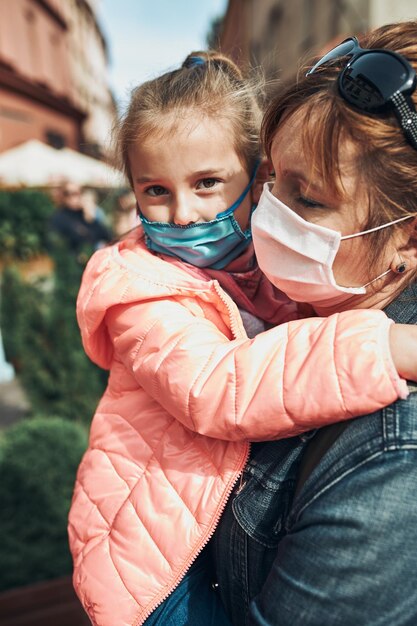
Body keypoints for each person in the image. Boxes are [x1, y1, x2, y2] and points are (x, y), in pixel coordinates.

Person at [68, 50, 417, 626]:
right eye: (154, 190)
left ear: (249, 179)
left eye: (207, 183)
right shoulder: (137, 287)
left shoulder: (259, 263)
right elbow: (220, 386)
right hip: (155, 569)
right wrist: (383, 347)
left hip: (192, 533)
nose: (181, 214)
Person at [212, 21, 417, 626]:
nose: (271, 211)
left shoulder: (395, 449)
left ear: (408, 234)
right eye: (272, 179)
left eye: (309, 199)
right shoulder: (292, 306)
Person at [49, 181, 111, 257]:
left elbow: (107, 236)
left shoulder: (86, 214)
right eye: (67, 193)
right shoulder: (59, 217)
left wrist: (90, 219)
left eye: (76, 193)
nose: (72, 197)